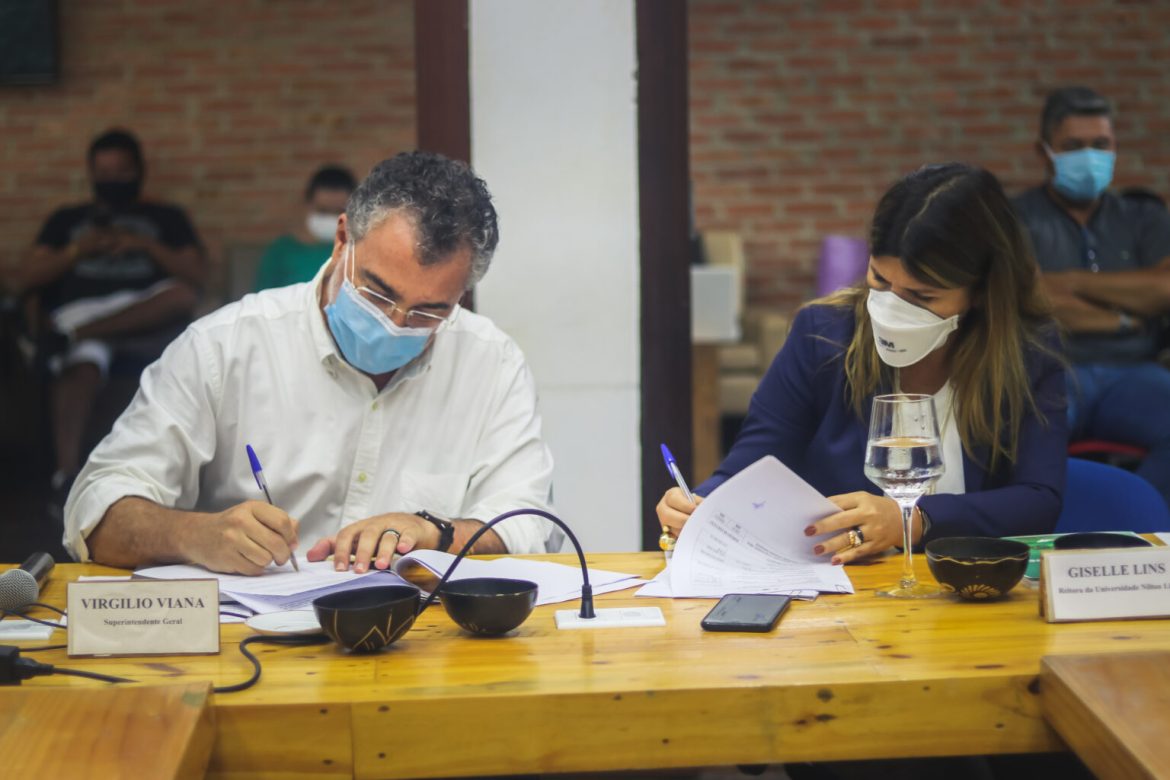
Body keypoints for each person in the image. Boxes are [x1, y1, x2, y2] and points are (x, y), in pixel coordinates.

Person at [64, 151, 557, 574]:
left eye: (428, 312)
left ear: (461, 295)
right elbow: (94, 510)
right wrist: (194, 534)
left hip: (421, 638)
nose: (395, 324)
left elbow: (530, 525)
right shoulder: (224, 348)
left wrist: (437, 533)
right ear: (343, 240)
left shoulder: (490, 363)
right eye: (376, 293)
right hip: (246, 641)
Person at [658, 164, 1067, 562]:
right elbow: (754, 464)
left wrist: (916, 522)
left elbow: (1038, 499)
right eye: (880, 280)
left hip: (971, 584)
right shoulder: (823, 335)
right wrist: (699, 503)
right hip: (847, 587)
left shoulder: (1026, 352)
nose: (893, 309)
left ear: (981, 291)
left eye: (922, 296)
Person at [10, 129, 206, 509]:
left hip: (143, 314)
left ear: (139, 171)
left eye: (121, 172)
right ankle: (66, 476)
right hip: (81, 309)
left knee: (180, 295)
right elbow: (26, 278)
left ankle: (74, 336)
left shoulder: (165, 217)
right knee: (82, 366)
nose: (112, 180)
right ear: (90, 174)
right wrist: (78, 250)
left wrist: (143, 244)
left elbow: (196, 277)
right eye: (103, 172)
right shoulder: (68, 219)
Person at [1014, 86, 1170, 506]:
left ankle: (1141, 522)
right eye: (1073, 146)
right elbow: (1028, 296)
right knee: (1018, 438)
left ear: (1115, 147)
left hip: (1136, 373)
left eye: (1101, 144)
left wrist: (1070, 281)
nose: (1090, 156)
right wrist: (1125, 315)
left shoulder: (1144, 216)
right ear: (1044, 151)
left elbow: (1165, 289)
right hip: (1051, 371)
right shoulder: (1015, 218)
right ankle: (1057, 527)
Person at [255, 165, 357, 291]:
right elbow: (262, 298)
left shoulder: (359, 253)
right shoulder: (281, 252)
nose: (331, 218)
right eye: (323, 211)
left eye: (338, 211)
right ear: (307, 205)